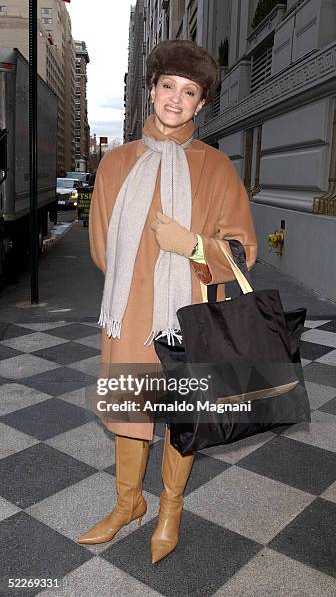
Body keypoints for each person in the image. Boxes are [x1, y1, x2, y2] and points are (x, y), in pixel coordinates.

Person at [78, 39, 258, 563]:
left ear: (201, 104)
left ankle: (169, 510)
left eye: (189, 91)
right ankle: (127, 502)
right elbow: (100, 246)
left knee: (182, 417)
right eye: (167, 87)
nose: (175, 100)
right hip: (129, 314)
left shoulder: (216, 167)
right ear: (151, 90)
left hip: (189, 318)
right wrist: (140, 288)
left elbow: (244, 250)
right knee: (131, 412)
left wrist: (193, 246)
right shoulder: (114, 165)